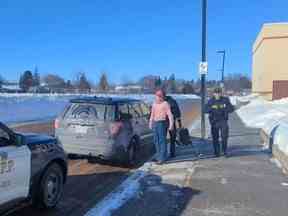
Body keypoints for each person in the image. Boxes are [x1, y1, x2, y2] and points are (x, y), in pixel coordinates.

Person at [205, 87, 234, 157]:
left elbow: (231, 109)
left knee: (224, 137)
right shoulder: (211, 101)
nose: (217, 94)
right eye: (216, 93)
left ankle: (224, 151)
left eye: (218, 93)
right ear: (214, 94)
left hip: (223, 121)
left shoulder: (225, 100)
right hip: (214, 122)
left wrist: (225, 108)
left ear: (221, 93)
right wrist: (212, 108)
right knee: (215, 138)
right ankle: (216, 152)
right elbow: (205, 110)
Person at [149, 89, 174, 164]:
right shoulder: (154, 104)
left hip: (162, 123)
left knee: (162, 141)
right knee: (156, 140)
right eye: (156, 95)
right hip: (155, 123)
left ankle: (162, 158)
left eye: (159, 95)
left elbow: (170, 115)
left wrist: (171, 125)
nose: (158, 97)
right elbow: (152, 114)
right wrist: (150, 123)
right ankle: (158, 156)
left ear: (163, 96)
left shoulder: (165, 103)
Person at [164, 92, 182, 158]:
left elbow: (177, 111)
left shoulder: (163, 102)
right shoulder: (173, 101)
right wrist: (179, 123)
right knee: (172, 138)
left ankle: (165, 153)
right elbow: (177, 112)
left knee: (164, 138)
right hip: (171, 122)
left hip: (165, 122)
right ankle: (172, 153)